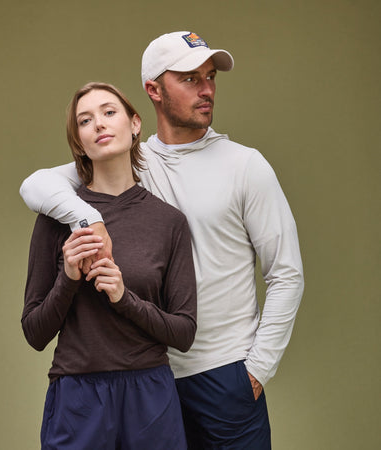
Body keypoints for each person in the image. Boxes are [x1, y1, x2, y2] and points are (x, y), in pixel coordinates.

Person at [20, 31, 305, 449]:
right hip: (153, 379)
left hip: (224, 374)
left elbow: (286, 273)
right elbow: (35, 185)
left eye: (210, 77)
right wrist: (90, 220)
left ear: (131, 121)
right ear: (153, 90)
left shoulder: (245, 166)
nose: (206, 89)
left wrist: (256, 371)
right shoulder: (128, 157)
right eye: (190, 79)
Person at [21, 82, 197, 450]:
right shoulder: (56, 218)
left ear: (135, 124)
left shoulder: (169, 222)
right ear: (79, 143)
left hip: (150, 398)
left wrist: (123, 297)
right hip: (78, 399)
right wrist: (68, 277)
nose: (98, 124)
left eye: (109, 112)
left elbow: (183, 333)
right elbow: (35, 333)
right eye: (85, 120)